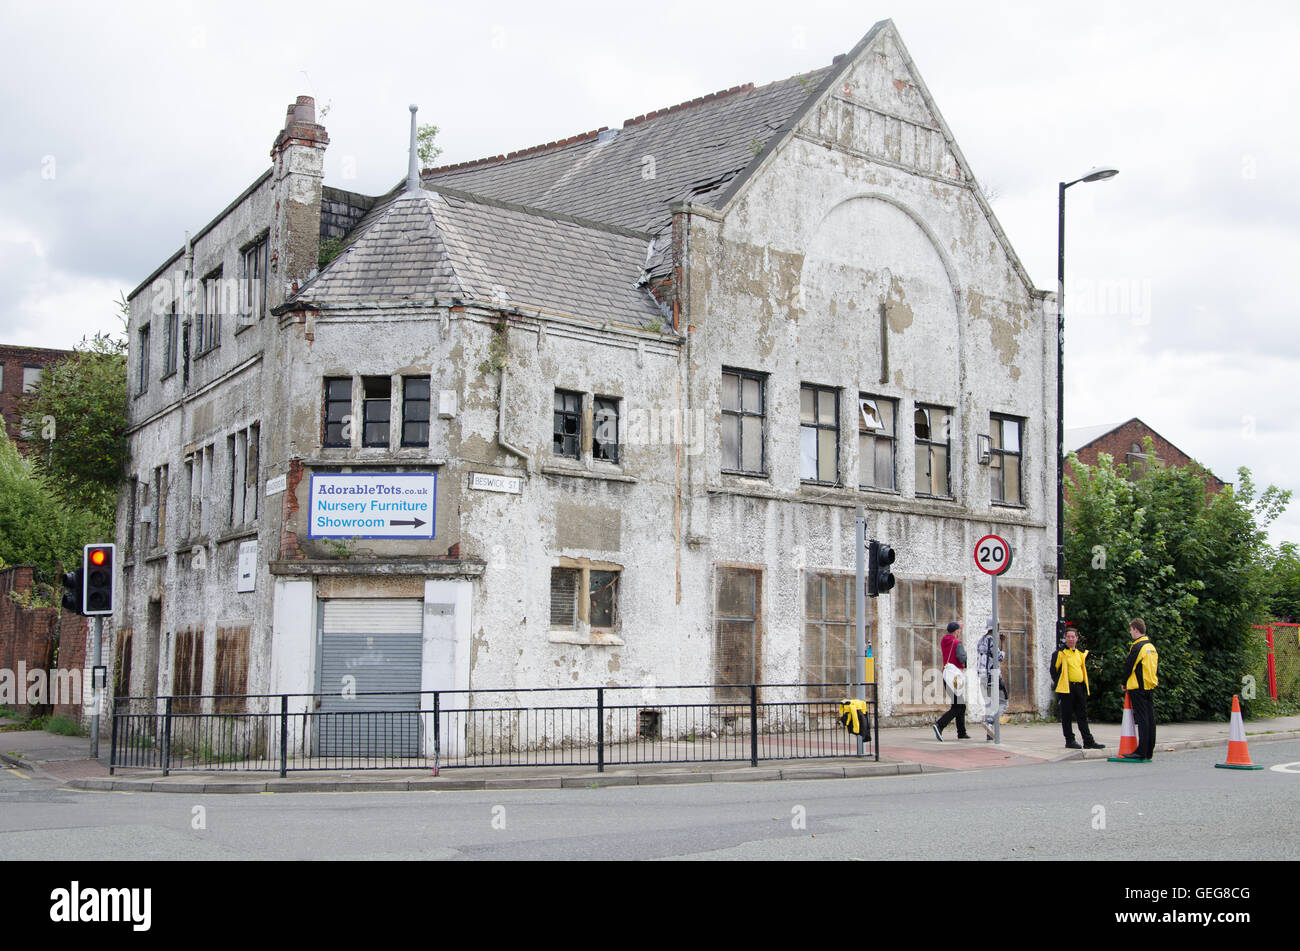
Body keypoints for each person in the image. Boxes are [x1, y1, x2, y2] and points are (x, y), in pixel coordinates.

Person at [1051, 628, 1104, 750]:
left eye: (1072, 637)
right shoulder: (1060, 653)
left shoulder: (1080, 653)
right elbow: (1053, 671)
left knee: (1082, 715)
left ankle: (1088, 741)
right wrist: (1060, 682)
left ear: (1076, 639)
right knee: (1067, 716)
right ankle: (1070, 740)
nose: (1070, 639)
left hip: (1079, 687)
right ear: (1066, 638)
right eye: (1068, 637)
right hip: (1066, 688)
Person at [1121, 618, 1158, 760]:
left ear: (1136, 630)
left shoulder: (1137, 647)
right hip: (1149, 686)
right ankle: (1149, 750)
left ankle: (1141, 751)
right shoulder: (1151, 647)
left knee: (1142, 720)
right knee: (1150, 718)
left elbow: (1129, 666)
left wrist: (1124, 682)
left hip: (1137, 687)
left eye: (1131, 629)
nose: (1130, 632)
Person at [934, 621, 969, 740]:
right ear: (956, 631)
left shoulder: (944, 641)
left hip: (946, 675)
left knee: (960, 705)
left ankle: (962, 733)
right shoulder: (957, 643)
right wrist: (965, 654)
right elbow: (961, 658)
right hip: (955, 678)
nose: (960, 632)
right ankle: (939, 725)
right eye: (959, 630)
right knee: (958, 706)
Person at [976, 620, 1008, 739]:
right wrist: (1003, 642)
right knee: (1004, 702)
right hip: (992, 675)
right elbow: (999, 657)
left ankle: (990, 733)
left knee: (989, 704)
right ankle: (988, 721)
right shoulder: (991, 640)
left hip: (982, 676)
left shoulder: (981, 640)